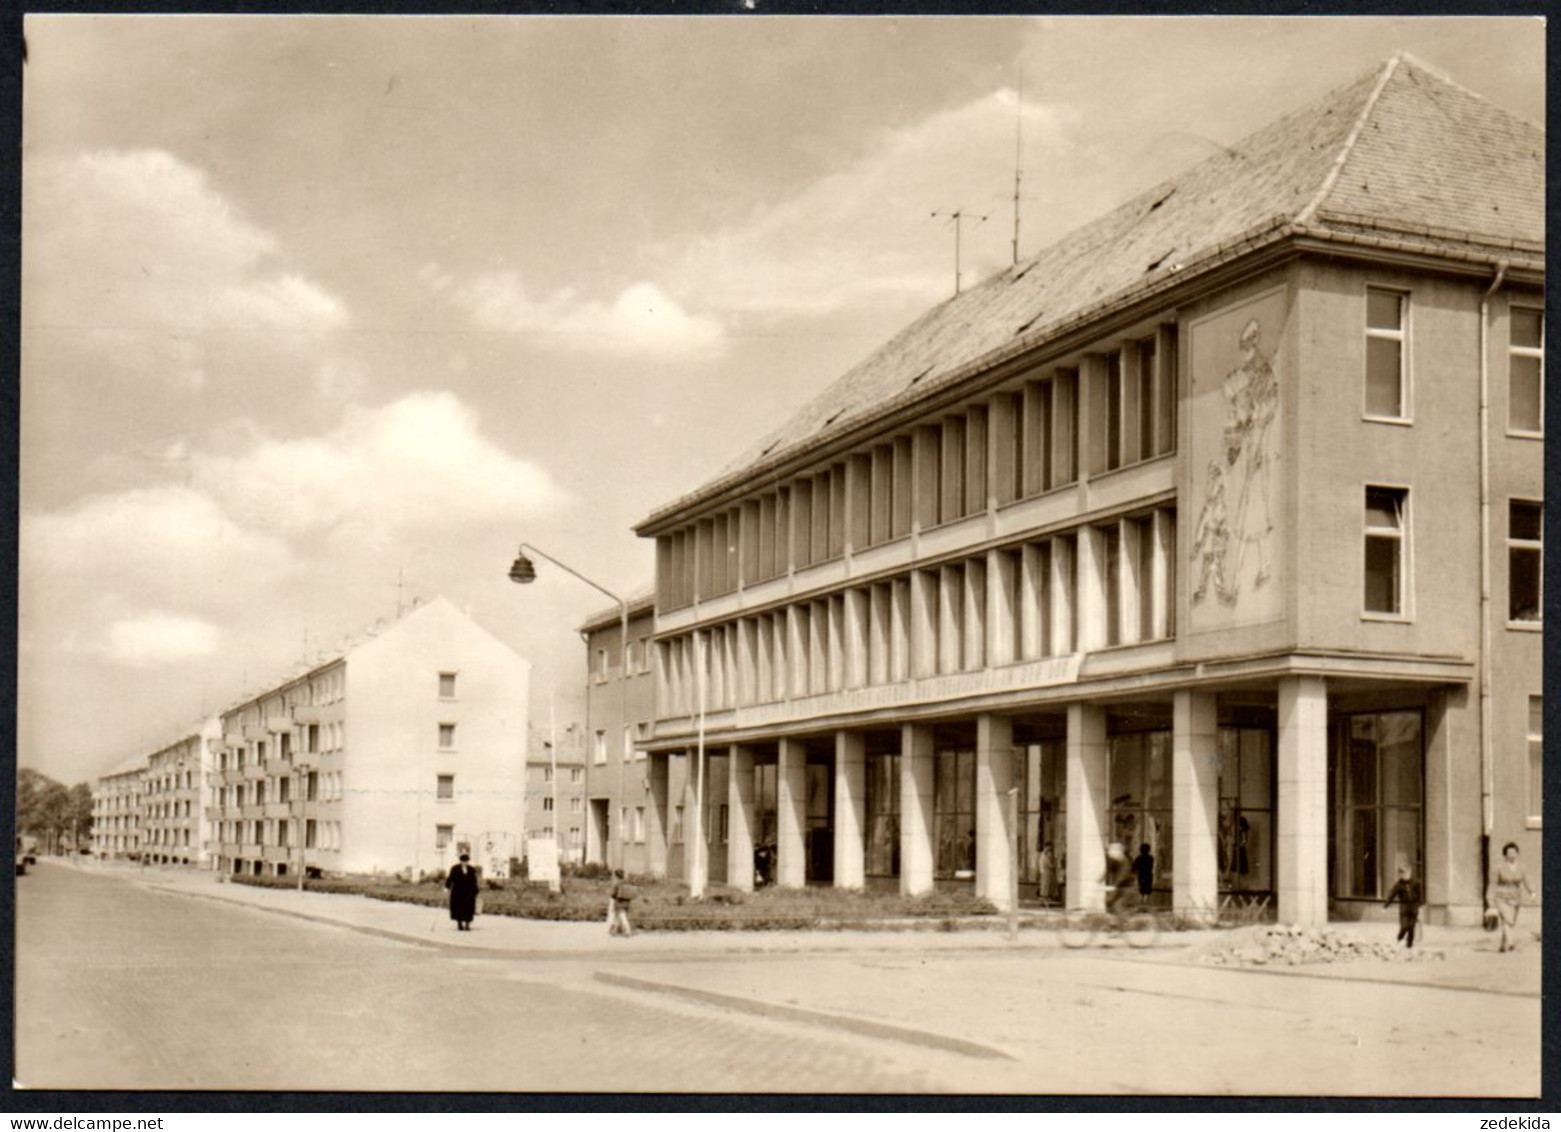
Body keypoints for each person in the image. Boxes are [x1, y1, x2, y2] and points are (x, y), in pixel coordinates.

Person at [1486, 841, 1535, 953]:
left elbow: (1527, 880)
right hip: (1501, 897)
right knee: (1507, 920)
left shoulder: (1522, 867)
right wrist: (1490, 899)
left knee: (1510, 922)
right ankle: (1511, 942)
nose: (1512, 855)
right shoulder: (1498, 867)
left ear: (1517, 854)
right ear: (1505, 855)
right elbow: (1492, 883)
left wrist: (1532, 892)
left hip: (1516, 898)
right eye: (1509, 853)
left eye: (1514, 852)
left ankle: (1503, 946)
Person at [1383, 862, 1423, 948]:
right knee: (1404, 926)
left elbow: (1420, 895)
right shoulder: (1398, 885)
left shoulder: (1416, 883)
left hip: (1414, 907)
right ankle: (1399, 937)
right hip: (1404, 907)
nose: (1403, 875)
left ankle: (1409, 945)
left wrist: (1419, 906)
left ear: (1410, 872)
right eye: (1401, 873)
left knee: (1411, 927)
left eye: (1404, 872)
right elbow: (1392, 895)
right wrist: (1385, 906)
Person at [443, 853, 480, 932]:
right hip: (458, 891)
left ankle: (467, 924)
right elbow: (450, 878)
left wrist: (476, 891)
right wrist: (447, 887)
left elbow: (474, 881)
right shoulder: (455, 868)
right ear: (460, 861)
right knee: (458, 908)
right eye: (463, 861)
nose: (465, 862)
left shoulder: (471, 869)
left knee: (468, 908)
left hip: (468, 892)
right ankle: (459, 924)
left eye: (466, 861)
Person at [1102, 842, 1135, 916]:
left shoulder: (1124, 862)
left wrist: (1113, 886)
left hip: (1128, 888)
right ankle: (1115, 923)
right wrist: (1100, 880)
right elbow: (1108, 870)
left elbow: (1122, 876)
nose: (1109, 853)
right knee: (1108, 902)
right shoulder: (1114, 861)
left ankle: (1124, 925)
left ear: (1118, 852)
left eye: (1111, 851)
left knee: (1118, 906)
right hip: (1120, 887)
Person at [608, 868, 636, 938]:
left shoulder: (617, 884)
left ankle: (627, 931)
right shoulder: (628, 882)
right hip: (627, 902)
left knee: (622, 917)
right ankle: (613, 931)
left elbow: (613, 894)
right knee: (618, 917)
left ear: (616, 876)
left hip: (619, 902)